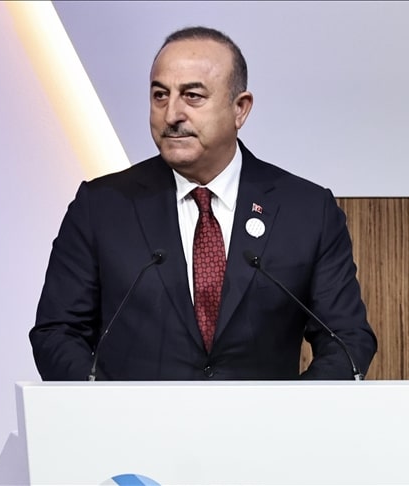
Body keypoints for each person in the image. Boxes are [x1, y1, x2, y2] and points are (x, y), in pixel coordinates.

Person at [30, 26, 377, 380]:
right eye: (160, 95)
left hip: (263, 418)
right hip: (129, 417)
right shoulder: (101, 207)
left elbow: (347, 340)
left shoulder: (306, 211)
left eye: (192, 96)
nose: (171, 114)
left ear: (240, 109)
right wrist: (108, 404)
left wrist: (292, 409)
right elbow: (57, 333)